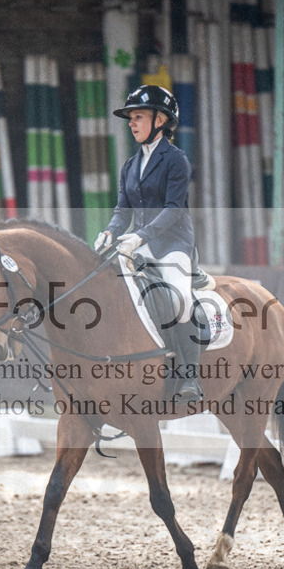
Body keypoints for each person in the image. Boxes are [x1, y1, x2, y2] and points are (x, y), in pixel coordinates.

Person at [94, 84, 202, 403]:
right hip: (137, 246)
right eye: (130, 118)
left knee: (179, 297)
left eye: (138, 116)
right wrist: (110, 232)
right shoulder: (130, 166)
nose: (132, 123)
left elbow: (173, 209)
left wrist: (141, 236)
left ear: (159, 120)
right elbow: (122, 211)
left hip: (173, 246)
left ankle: (189, 378)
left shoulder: (176, 160)